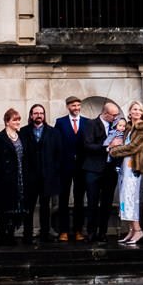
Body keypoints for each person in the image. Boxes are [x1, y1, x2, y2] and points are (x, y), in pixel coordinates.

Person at [110, 101, 143, 246]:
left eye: (139, 110)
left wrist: (114, 151)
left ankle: (138, 229)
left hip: (134, 166)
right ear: (129, 111)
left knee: (131, 199)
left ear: (142, 112)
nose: (136, 112)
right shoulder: (128, 127)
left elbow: (134, 147)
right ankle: (131, 230)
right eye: (134, 109)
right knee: (124, 198)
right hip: (124, 166)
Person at [19, 103, 63, 244]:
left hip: (47, 177)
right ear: (31, 115)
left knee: (45, 207)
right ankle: (27, 235)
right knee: (28, 208)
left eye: (41, 113)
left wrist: (54, 171)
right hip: (29, 177)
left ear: (44, 116)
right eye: (36, 113)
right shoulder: (23, 132)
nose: (39, 115)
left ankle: (45, 234)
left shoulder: (53, 132)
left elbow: (59, 154)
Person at [79, 100, 122, 242]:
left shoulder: (116, 126)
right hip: (93, 169)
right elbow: (87, 145)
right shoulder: (91, 124)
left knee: (107, 203)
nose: (116, 118)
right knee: (92, 202)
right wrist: (107, 147)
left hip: (110, 170)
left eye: (117, 115)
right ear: (105, 113)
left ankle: (102, 233)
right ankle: (90, 232)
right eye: (113, 115)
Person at [0, 107, 26, 246]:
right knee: (5, 207)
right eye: (15, 120)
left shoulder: (21, 136)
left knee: (17, 206)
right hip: (4, 178)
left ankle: (12, 234)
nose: (18, 122)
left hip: (19, 177)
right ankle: (3, 236)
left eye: (19, 119)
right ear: (7, 121)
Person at [53, 95, 88, 241]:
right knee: (63, 199)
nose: (76, 108)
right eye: (73, 106)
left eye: (78, 105)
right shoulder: (60, 122)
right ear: (68, 106)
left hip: (81, 166)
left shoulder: (87, 122)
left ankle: (78, 230)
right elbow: (56, 143)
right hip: (64, 166)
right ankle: (63, 231)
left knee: (80, 199)